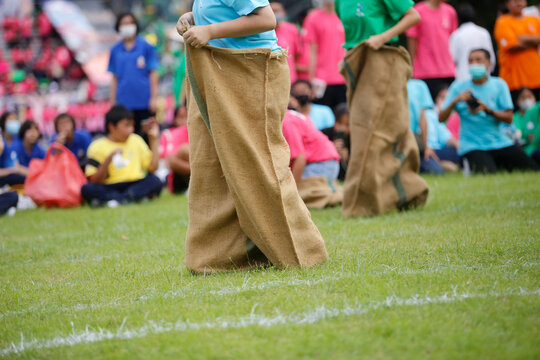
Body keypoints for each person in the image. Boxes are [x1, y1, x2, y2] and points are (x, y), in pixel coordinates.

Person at [176, 0, 328, 273]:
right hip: (220, 75)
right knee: (212, 166)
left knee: (258, 165)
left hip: (251, 73)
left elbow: (266, 19)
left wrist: (209, 32)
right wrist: (193, 17)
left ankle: (300, 251)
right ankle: (221, 256)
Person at [336, 0, 428, 218]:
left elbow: (413, 16)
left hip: (383, 59)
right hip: (357, 62)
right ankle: (407, 192)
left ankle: (361, 204)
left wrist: (382, 37)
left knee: (371, 133)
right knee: (380, 130)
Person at [439, 48, 538, 173]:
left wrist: (488, 110)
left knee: (532, 170)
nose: (474, 64)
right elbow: (440, 118)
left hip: (500, 142)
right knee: (488, 172)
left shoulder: (499, 84)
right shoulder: (458, 87)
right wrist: (455, 101)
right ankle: (472, 165)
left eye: (478, 60)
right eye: (471, 61)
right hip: (472, 146)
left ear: (489, 63)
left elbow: (509, 118)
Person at [81, 105, 162, 207]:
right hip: (110, 185)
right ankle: (130, 198)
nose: (131, 129)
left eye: (132, 125)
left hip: (135, 183)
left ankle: (116, 199)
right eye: (126, 125)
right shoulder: (96, 146)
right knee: (87, 188)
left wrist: (153, 139)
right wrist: (108, 159)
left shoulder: (135, 140)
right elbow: (94, 180)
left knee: (154, 181)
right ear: (112, 126)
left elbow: (152, 167)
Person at [108, 13, 160, 136]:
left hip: (144, 102)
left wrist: (153, 98)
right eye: (123, 23)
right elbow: (114, 77)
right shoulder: (115, 50)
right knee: (126, 137)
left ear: (135, 25)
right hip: (123, 103)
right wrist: (112, 102)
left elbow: (153, 73)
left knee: (145, 136)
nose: (127, 26)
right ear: (118, 27)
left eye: (130, 23)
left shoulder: (146, 47)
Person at [282, 107, 342, 209]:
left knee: (295, 196)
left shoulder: (286, 121)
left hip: (318, 164)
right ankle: (333, 190)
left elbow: (300, 158)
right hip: (329, 162)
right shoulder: (294, 115)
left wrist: (291, 193)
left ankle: (334, 194)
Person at [406, 0, 458, 98]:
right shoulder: (417, 12)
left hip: (449, 71)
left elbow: (452, 38)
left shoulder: (450, 11)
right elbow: (412, 41)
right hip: (425, 72)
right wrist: (412, 66)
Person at [302, 0, 346, 109]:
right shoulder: (313, 18)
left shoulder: (344, 15)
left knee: (344, 116)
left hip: (343, 77)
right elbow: (311, 51)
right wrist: (311, 79)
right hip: (321, 79)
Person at [494, 0, 540, 102]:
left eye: (521, 0)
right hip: (514, 80)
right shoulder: (503, 22)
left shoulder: (534, 20)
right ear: (507, 4)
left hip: (536, 77)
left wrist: (522, 38)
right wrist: (534, 42)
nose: (518, 3)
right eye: (515, 1)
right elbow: (511, 46)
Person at [449, 4, 496, 82]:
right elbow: (491, 58)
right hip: (484, 78)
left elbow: (453, 58)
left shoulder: (456, 35)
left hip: (462, 77)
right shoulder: (483, 32)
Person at [407, 78, 444, 174]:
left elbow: (422, 118)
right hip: (395, 138)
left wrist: (426, 146)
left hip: (414, 138)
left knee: (437, 171)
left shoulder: (419, 85)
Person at [159, 106, 190, 194]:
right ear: (175, 119)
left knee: (184, 149)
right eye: (181, 117)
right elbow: (167, 160)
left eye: (187, 116)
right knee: (179, 153)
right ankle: (202, 173)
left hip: (188, 164)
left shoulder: (194, 132)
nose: (185, 120)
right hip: (177, 175)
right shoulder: (168, 133)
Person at [270, 1, 302, 84]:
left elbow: (297, 53)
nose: (275, 14)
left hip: (290, 79)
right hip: (270, 80)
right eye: (272, 11)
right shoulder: (262, 31)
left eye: (277, 11)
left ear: (283, 12)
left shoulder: (292, 29)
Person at [322, 102, 350, 180]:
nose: (343, 128)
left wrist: (347, 159)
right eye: (340, 123)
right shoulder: (324, 134)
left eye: (347, 125)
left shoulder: (354, 139)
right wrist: (330, 149)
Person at [0, 111, 25, 186]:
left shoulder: (19, 140)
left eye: (15, 119)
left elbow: (18, 164)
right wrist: (12, 170)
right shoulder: (1, 140)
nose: (13, 122)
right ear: (3, 122)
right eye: (10, 119)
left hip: (14, 176)